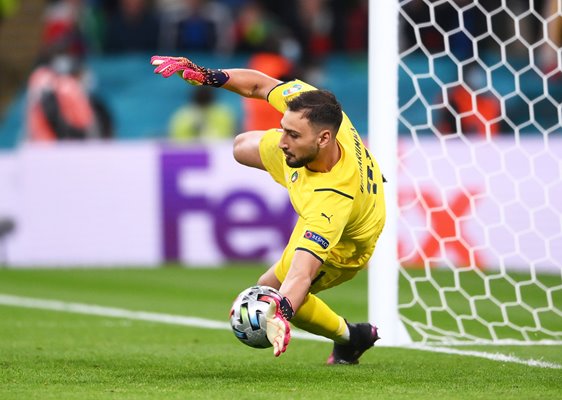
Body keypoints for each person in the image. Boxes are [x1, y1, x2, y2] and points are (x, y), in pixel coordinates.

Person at [151, 54, 385, 364]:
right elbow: (260, 85)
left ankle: (351, 338)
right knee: (241, 146)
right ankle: (347, 335)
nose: (283, 141)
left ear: (324, 138)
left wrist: (281, 313)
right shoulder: (315, 108)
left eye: (293, 135)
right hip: (323, 179)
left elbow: (302, 275)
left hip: (345, 245)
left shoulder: (329, 204)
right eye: (283, 129)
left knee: (272, 292)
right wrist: (208, 75)